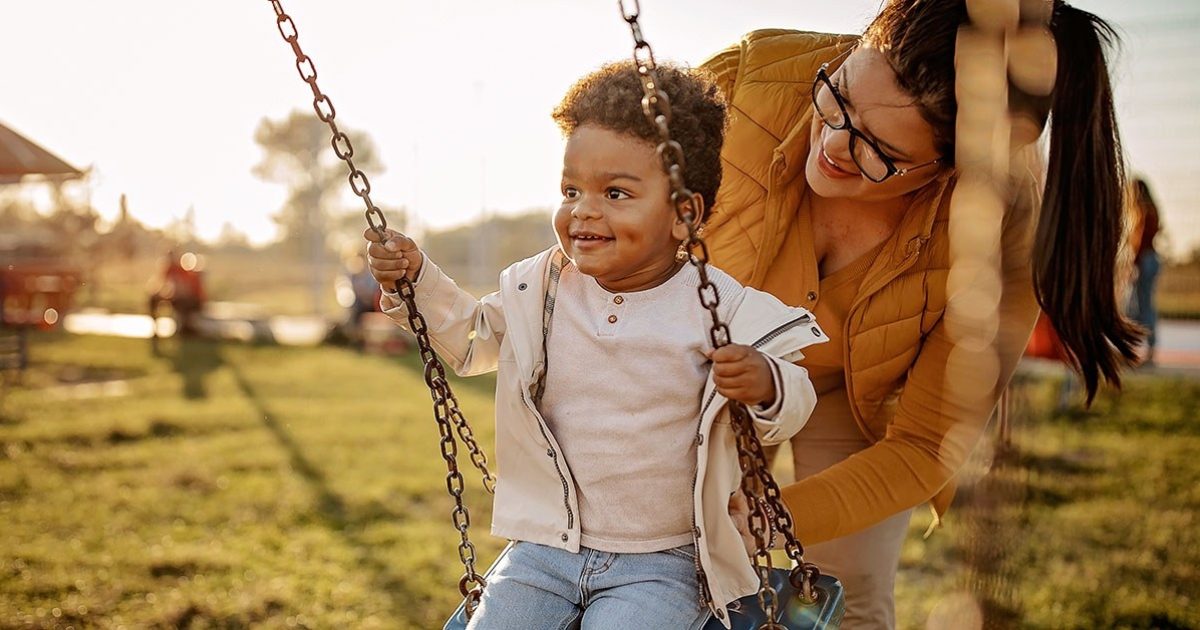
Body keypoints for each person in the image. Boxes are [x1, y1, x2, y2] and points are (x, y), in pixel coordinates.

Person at [699, 0, 1142, 627]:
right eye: (837, 96)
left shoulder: (1006, 219)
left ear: (951, 169)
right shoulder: (747, 80)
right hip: (709, 368)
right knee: (671, 569)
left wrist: (773, 515)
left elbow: (926, 444)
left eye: (878, 152)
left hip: (854, 392)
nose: (832, 143)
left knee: (846, 595)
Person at [365, 62, 828, 628]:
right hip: (545, 549)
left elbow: (796, 397)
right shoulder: (544, 287)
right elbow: (471, 340)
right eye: (571, 190)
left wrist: (766, 381)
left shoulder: (720, 307)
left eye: (615, 192)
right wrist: (418, 279)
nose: (584, 209)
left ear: (685, 214)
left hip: (665, 560)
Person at [1128, 177, 1162, 364]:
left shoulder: (1144, 211)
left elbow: (1141, 240)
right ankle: (1146, 349)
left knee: (1142, 306)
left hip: (1145, 261)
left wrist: (1133, 261)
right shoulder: (1151, 210)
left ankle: (1147, 351)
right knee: (1143, 305)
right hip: (1150, 260)